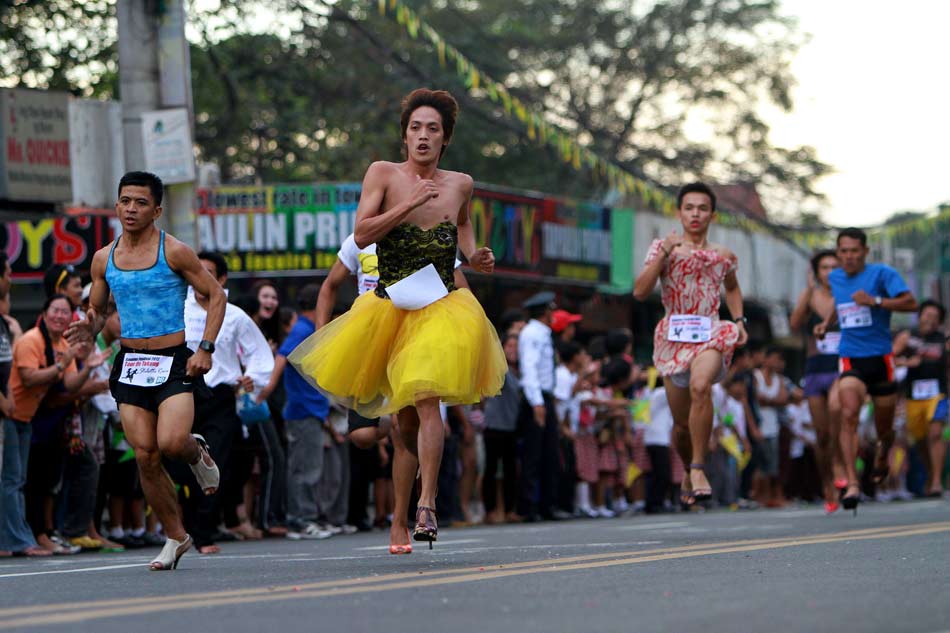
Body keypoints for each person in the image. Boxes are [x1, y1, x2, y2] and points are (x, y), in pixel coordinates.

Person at [288, 88, 505, 551]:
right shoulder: (382, 174)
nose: (423, 136)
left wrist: (476, 255)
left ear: (445, 139)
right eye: (415, 128)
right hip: (389, 307)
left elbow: (463, 226)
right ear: (404, 136)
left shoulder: (461, 183)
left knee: (427, 401)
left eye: (433, 129)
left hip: (441, 307)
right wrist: (407, 203)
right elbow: (362, 233)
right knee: (401, 426)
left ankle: (428, 503)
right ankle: (398, 520)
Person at [66, 171, 227, 570]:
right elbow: (100, 312)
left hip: (173, 359)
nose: (131, 209)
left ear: (156, 209)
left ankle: (196, 451)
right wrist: (90, 326)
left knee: (172, 443)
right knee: (146, 456)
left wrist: (205, 348)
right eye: (125, 201)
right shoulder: (104, 258)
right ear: (116, 205)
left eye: (140, 202)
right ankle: (175, 536)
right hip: (132, 364)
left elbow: (216, 295)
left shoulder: (174, 252)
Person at [633, 182, 748, 505]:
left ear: (712, 214)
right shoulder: (663, 247)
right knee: (681, 427)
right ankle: (686, 466)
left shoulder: (723, 255)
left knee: (701, 386)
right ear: (679, 212)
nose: (695, 214)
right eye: (689, 208)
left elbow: (734, 289)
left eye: (702, 208)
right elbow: (640, 292)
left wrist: (739, 321)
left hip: (711, 332)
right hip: (673, 338)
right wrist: (666, 252)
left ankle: (699, 466)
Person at [814, 227, 917, 514]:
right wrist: (826, 323)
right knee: (848, 414)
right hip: (851, 358)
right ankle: (854, 483)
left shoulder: (882, 274)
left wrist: (877, 302)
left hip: (881, 360)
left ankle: (883, 455)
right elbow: (841, 302)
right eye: (843, 251)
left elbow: (911, 303)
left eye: (853, 251)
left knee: (885, 431)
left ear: (865, 252)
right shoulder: (836, 277)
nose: (848, 257)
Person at [177, 251, 274, 554]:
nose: (199, 279)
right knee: (180, 460)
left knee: (214, 464)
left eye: (207, 273)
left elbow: (259, 352)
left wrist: (252, 378)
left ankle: (203, 534)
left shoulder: (233, 314)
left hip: (221, 396)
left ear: (221, 279)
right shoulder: (179, 309)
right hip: (182, 393)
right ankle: (182, 528)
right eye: (196, 272)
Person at [2, 295, 101, 556]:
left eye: (65, 312)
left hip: (26, 420)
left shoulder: (61, 343)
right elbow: (29, 377)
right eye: (55, 311)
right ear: (44, 314)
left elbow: (69, 385)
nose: (60, 316)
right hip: (10, 416)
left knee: (23, 481)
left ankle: (19, 538)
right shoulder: (31, 340)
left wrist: (88, 369)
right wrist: (64, 360)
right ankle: (18, 540)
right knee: (14, 481)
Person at [789, 249, 846, 513]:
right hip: (814, 370)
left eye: (835, 266)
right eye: (825, 267)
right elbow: (794, 324)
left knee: (837, 408)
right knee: (821, 435)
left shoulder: (847, 293)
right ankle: (827, 482)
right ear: (816, 271)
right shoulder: (809, 295)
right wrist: (807, 293)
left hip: (841, 367)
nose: (830, 272)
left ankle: (840, 466)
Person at [518, 291, 569, 521]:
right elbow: (529, 369)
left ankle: (548, 505)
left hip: (545, 397)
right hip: (535, 398)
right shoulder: (531, 334)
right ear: (546, 312)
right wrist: (537, 402)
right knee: (533, 456)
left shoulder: (543, 333)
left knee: (549, 454)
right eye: (551, 310)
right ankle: (528, 507)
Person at [892, 299, 948, 497]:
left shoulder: (944, 340)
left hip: (938, 394)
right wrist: (907, 362)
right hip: (913, 396)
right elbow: (889, 359)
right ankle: (931, 473)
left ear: (939, 321)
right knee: (920, 440)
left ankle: (935, 482)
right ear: (920, 315)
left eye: (935, 317)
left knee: (935, 434)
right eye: (927, 315)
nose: (930, 320)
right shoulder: (907, 336)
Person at [482, 333, 522, 523]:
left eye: (516, 347)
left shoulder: (519, 372)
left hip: (511, 427)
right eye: (510, 346)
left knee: (510, 470)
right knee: (491, 469)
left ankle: (508, 510)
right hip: (494, 425)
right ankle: (489, 511)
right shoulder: (501, 369)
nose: (513, 350)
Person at [753, 346, 788, 508]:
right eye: (773, 358)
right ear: (766, 359)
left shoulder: (779, 379)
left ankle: (770, 497)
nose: (776, 362)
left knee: (772, 465)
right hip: (758, 425)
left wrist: (768, 400)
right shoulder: (756, 376)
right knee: (760, 463)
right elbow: (756, 398)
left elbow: (783, 399)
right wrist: (772, 401)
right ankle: (758, 496)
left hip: (773, 427)